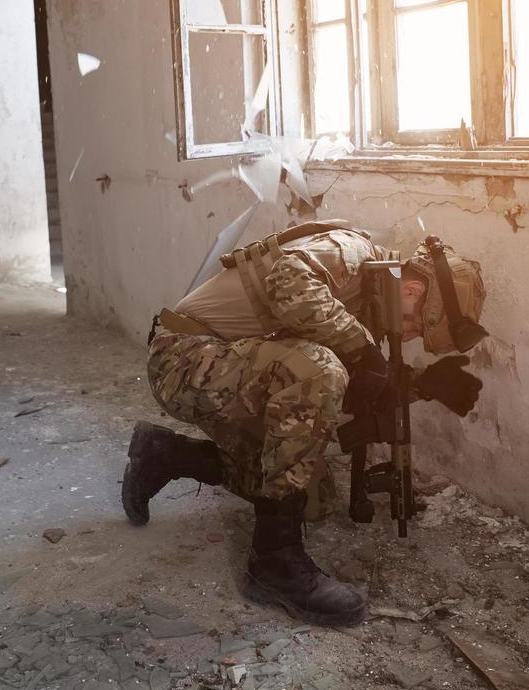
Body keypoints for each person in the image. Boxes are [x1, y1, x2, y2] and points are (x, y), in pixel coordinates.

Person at [121, 221, 485, 626]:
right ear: (413, 292)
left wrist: (419, 385)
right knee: (317, 370)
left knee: (313, 498)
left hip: (232, 370)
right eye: (419, 327)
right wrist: (365, 352)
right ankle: (273, 563)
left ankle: (169, 455)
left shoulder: (368, 305)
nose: (412, 335)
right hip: (183, 359)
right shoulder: (352, 250)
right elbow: (287, 281)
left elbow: (348, 388)